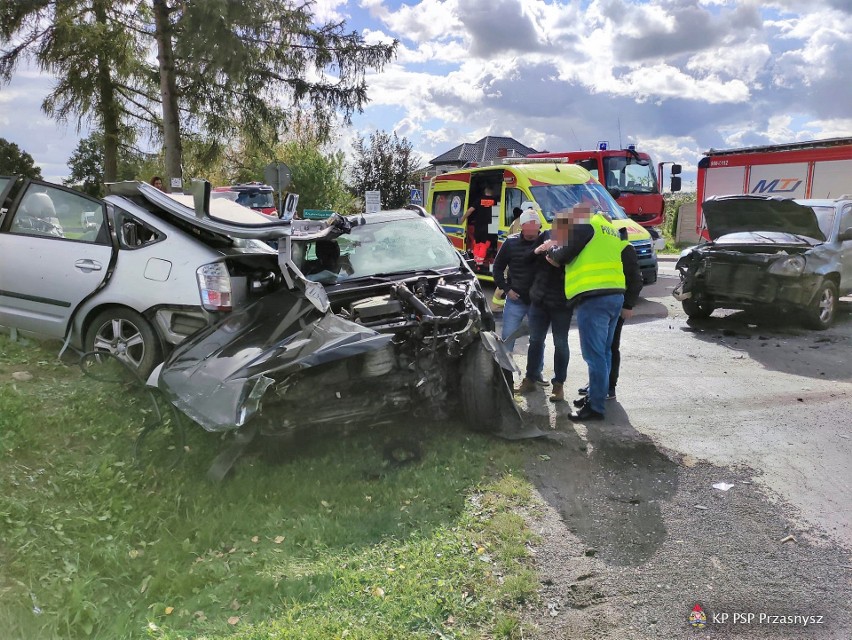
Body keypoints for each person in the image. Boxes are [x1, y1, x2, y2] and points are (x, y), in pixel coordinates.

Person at [546, 205, 642, 420]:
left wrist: (550, 249)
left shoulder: (585, 226)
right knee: (605, 352)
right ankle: (595, 395)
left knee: (594, 355)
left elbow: (560, 256)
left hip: (594, 298)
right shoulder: (608, 229)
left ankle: (596, 407)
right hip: (614, 296)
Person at [575, 226, 636, 404]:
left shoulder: (624, 248)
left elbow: (635, 279)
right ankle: (596, 387)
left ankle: (609, 387)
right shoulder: (613, 247)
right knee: (600, 350)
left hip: (615, 305)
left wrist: (628, 305)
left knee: (609, 349)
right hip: (610, 303)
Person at [515, 219, 573, 402]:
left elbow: (576, 268)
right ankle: (530, 378)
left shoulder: (574, 241)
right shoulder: (545, 236)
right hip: (539, 301)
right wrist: (537, 250)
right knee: (535, 340)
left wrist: (558, 261)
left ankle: (559, 385)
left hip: (562, 303)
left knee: (561, 343)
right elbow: (526, 260)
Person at [491, 209, 541, 359]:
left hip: (537, 302)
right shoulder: (511, 243)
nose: (532, 229)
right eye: (528, 225)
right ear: (522, 226)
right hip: (515, 300)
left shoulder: (546, 242)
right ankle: (505, 376)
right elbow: (497, 268)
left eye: (535, 225)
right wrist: (507, 289)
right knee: (508, 338)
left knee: (537, 340)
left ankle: (534, 376)